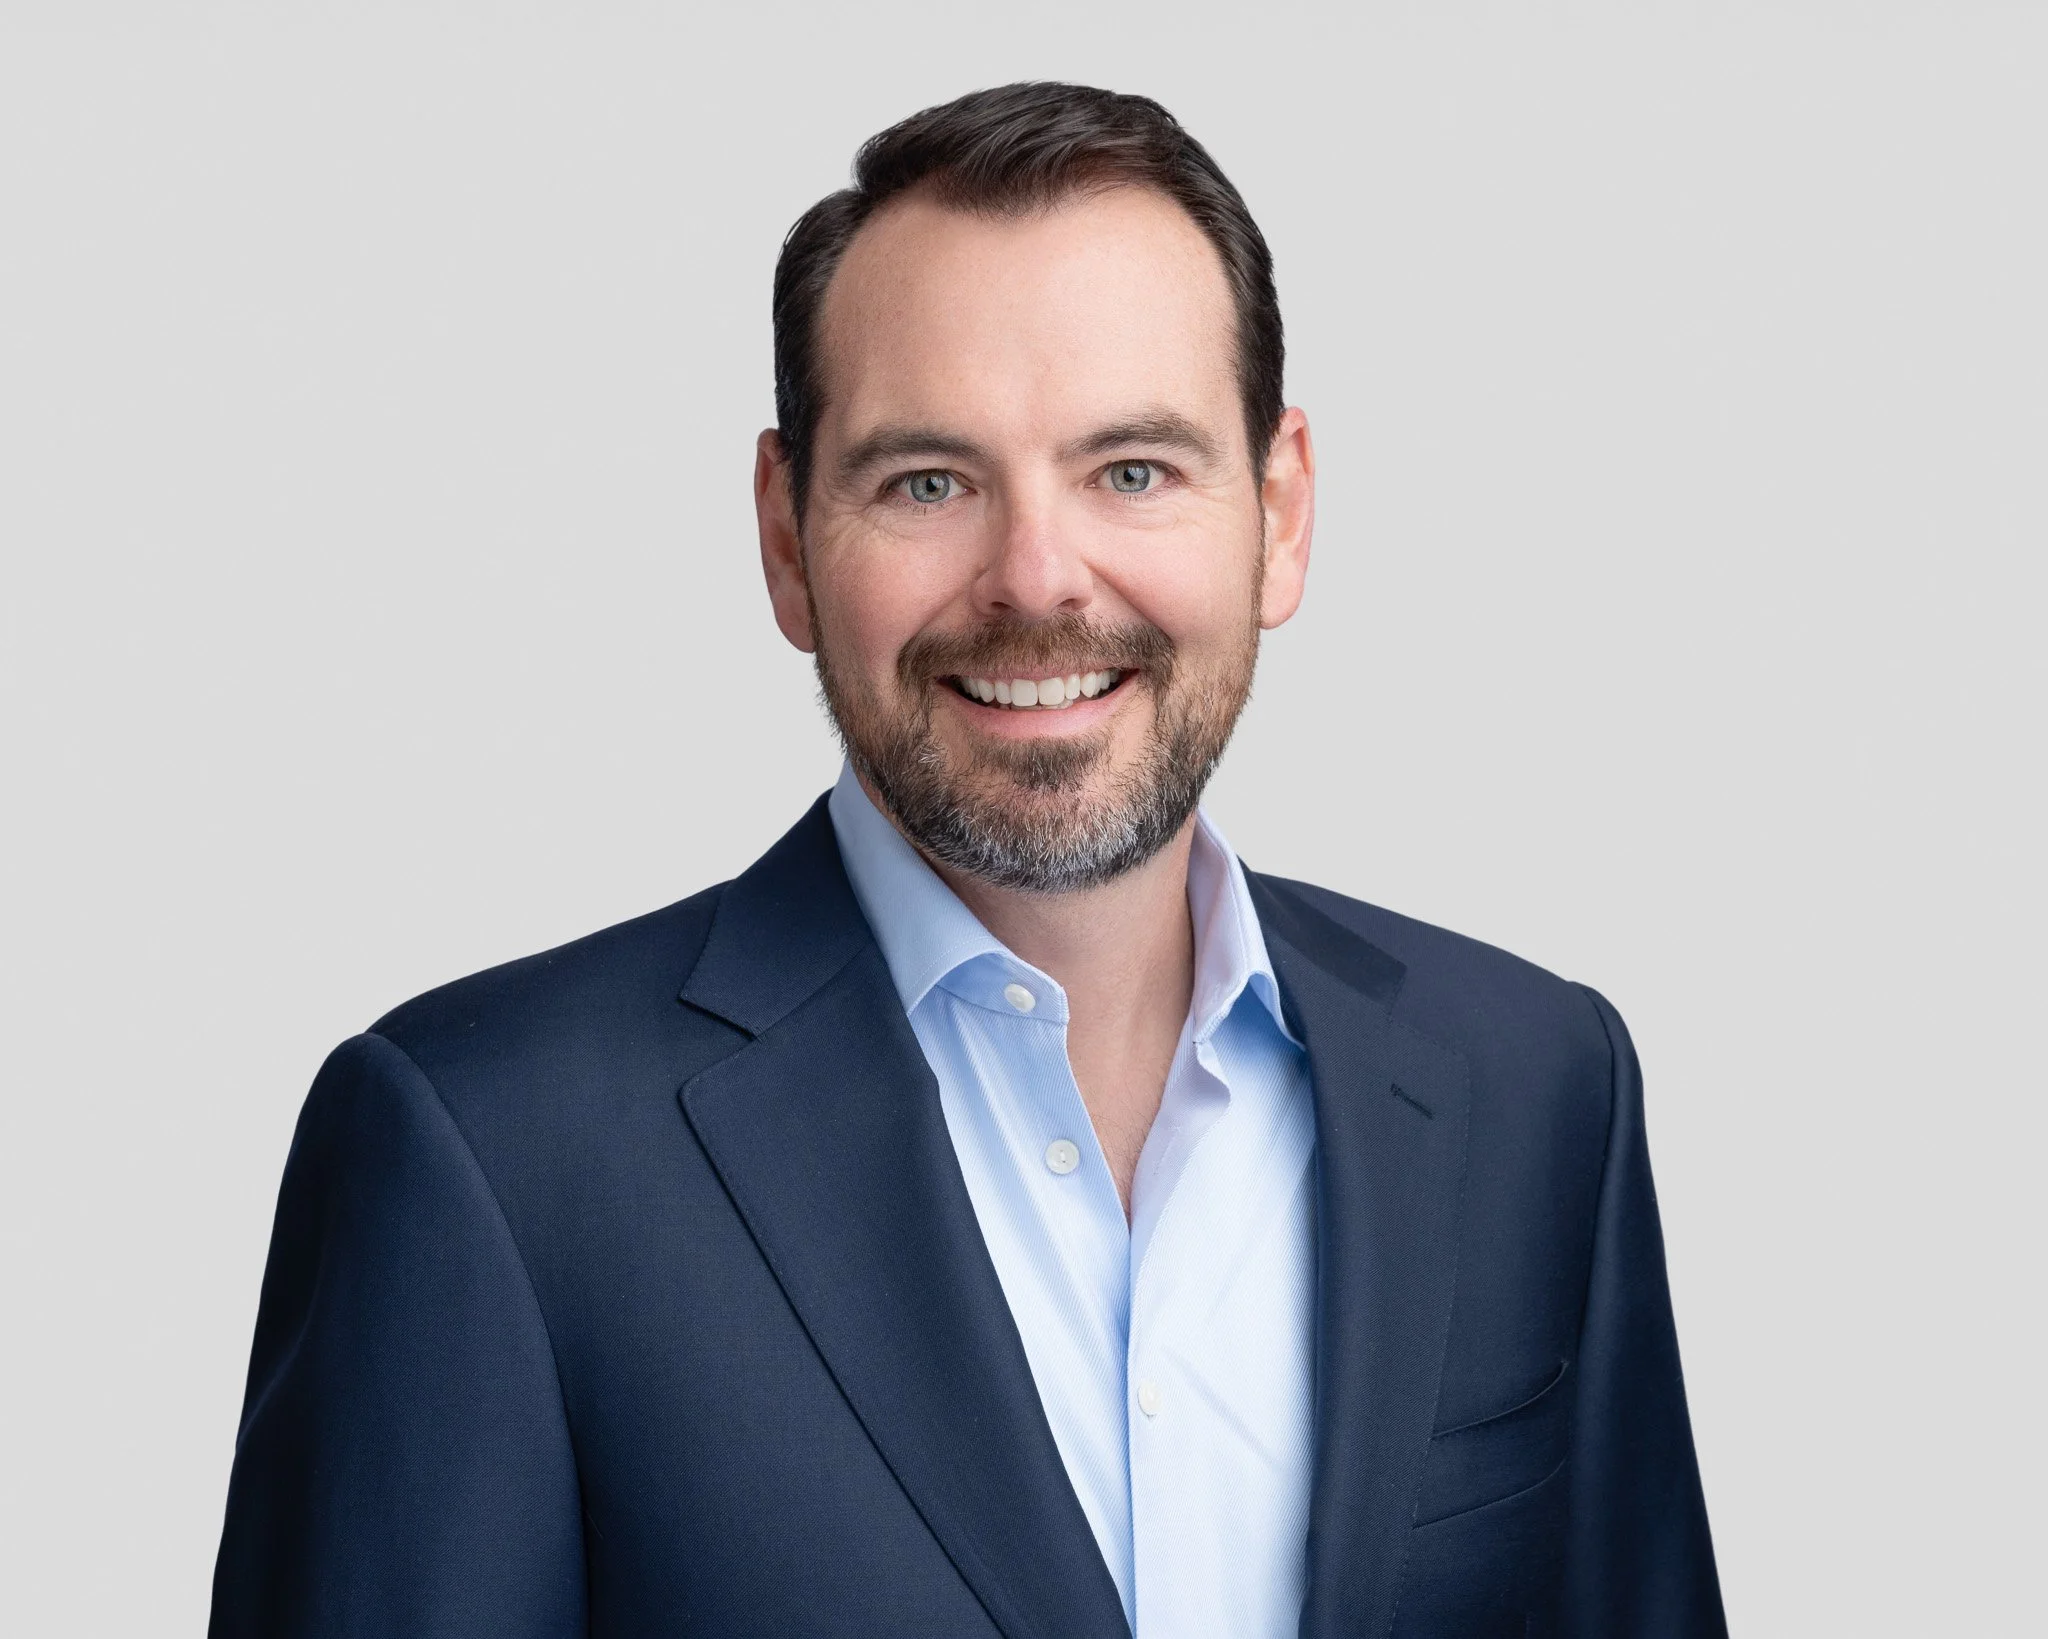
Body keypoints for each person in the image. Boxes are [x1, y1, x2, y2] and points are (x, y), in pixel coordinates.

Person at [209, 81, 1725, 1638]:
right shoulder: (490, 1156)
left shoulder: (1539, 1090)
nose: (1037, 578)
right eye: (928, 481)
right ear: (790, 539)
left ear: (1278, 514)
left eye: (1132, 468)